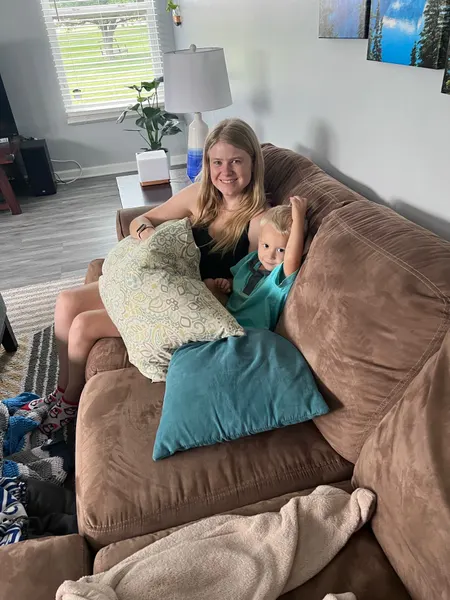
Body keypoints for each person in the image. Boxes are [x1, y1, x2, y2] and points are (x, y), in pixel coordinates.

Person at [27, 118, 268, 435]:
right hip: (161, 282)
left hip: (187, 304)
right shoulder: (199, 195)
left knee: (83, 324)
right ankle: (59, 392)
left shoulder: (258, 220)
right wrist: (148, 236)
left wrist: (219, 290)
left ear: (253, 162)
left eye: (236, 161)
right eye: (217, 162)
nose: (226, 171)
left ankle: (69, 403)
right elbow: (141, 219)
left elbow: (251, 287)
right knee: (67, 301)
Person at [211, 197, 307, 331]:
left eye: (281, 250)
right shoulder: (252, 259)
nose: (270, 255)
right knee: (208, 284)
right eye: (266, 245)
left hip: (252, 330)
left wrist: (298, 219)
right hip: (228, 319)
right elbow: (237, 281)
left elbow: (292, 258)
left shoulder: (280, 275)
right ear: (259, 240)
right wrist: (227, 284)